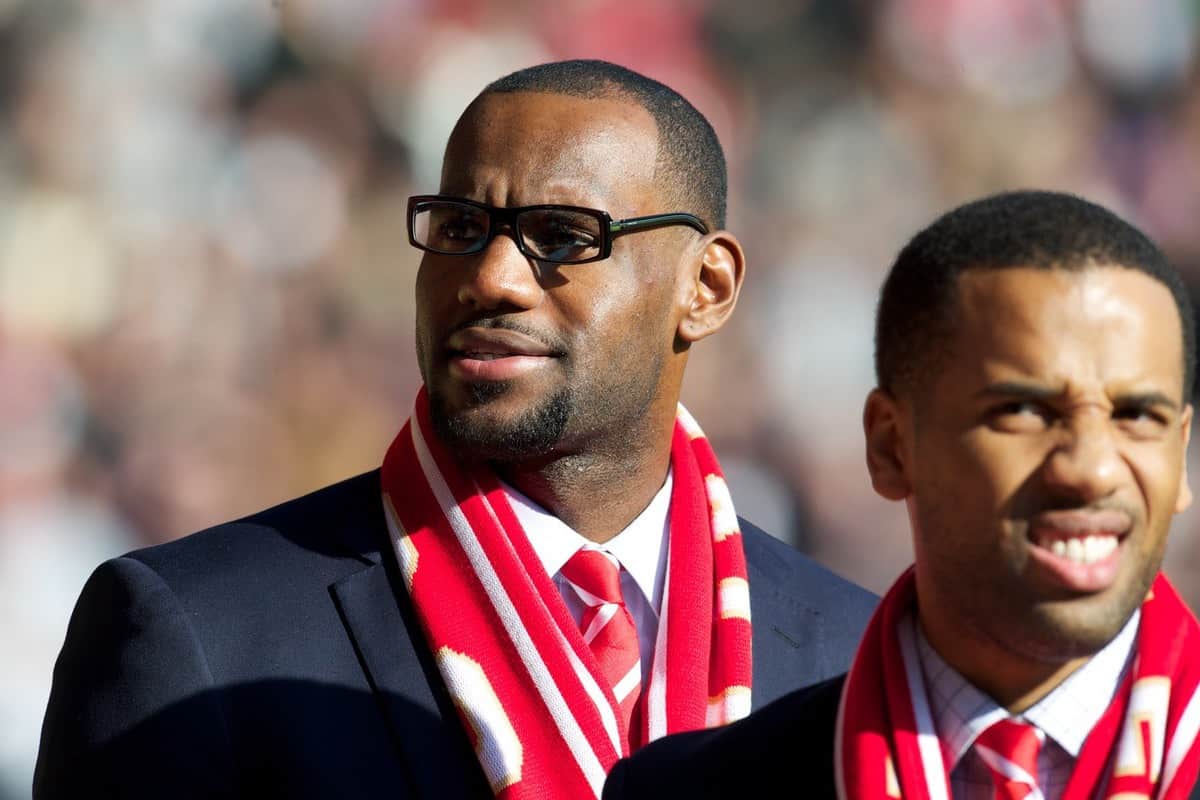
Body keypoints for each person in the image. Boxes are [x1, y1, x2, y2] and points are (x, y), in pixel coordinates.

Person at [34, 60, 876, 800]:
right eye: (460, 229)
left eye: (561, 236)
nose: (493, 278)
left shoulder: (851, 656)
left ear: (707, 287)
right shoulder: (197, 635)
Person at [603, 190, 1200, 800]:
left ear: (1180, 456)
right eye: (1022, 410)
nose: (1093, 470)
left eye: (1137, 415)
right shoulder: (692, 790)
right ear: (891, 446)